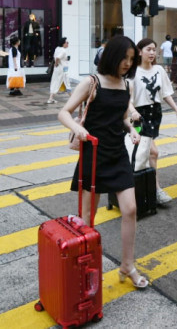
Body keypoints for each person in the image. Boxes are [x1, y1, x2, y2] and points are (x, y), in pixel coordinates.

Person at [58, 35, 148, 289]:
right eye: (125, 58)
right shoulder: (91, 82)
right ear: (113, 56)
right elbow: (63, 112)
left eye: (132, 59)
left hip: (117, 153)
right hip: (93, 153)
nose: (127, 63)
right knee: (88, 216)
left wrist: (130, 128)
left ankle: (127, 265)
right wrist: (79, 129)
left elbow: (118, 116)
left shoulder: (125, 85)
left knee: (130, 209)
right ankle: (83, 269)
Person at [129, 38, 177, 205]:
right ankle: (155, 190)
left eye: (154, 49)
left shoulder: (159, 70)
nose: (152, 52)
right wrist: (133, 112)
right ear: (139, 51)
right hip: (139, 118)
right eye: (148, 49)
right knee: (150, 152)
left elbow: (165, 93)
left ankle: (145, 189)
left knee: (144, 153)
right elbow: (126, 99)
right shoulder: (133, 72)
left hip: (155, 115)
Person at [47, 37, 71, 104]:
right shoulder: (63, 50)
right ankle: (72, 98)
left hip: (58, 69)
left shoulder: (57, 48)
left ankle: (50, 98)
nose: (68, 44)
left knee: (55, 82)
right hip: (62, 69)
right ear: (63, 43)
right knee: (67, 82)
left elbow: (57, 57)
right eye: (67, 42)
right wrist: (56, 63)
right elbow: (58, 58)